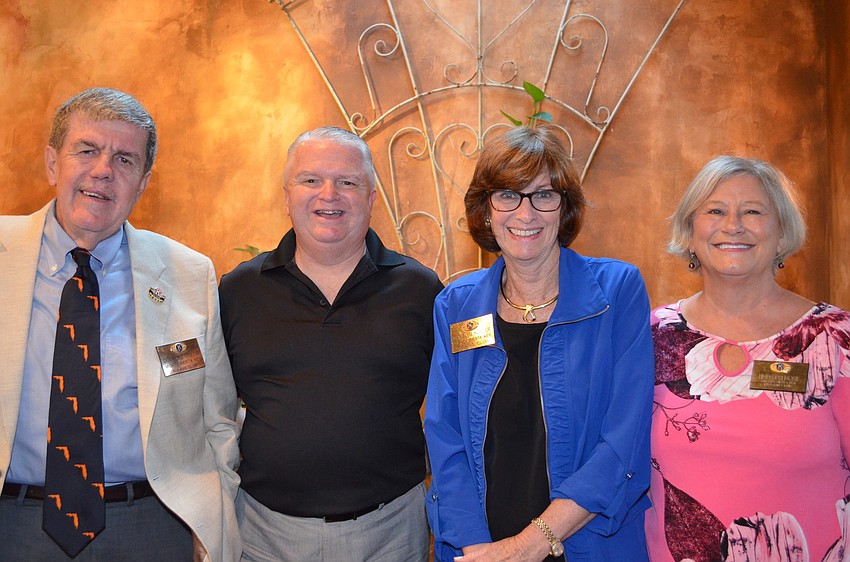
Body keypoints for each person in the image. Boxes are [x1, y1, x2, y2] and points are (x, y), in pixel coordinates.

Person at [0, 87, 241, 561]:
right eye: (87, 150)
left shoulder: (189, 274)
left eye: (125, 159)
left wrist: (214, 510)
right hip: (15, 525)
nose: (103, 170)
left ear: (144, 182)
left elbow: (219, 420)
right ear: (53, 163)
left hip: (152, 528)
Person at [424, 124, 655, 562]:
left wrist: (528, 546)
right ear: (486, 210)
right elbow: (444, 438)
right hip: (478, 548)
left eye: (544, 195)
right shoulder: (456, 306)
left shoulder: (616, 291)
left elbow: (624, 438)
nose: (525, 214)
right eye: (508, 194)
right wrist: (482, 552)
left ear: (564, 209)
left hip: (587, 543)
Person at [219, 126, 443, 562]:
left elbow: (452, 408)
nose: (329, 194)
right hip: (264, 534)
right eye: (311, 180)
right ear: (287, 196)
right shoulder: (239, 290)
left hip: (390, 532)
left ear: (371, 198)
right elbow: (211, 408)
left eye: (347, 182)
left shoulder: (420, 291)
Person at [645, 156, 850, 561]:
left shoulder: (836, 338)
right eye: (715, 211)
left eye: (753, 211)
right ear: (690, 231)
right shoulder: (653, 335)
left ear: (782, 233)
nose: (733, 225)